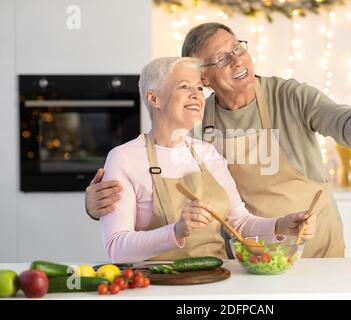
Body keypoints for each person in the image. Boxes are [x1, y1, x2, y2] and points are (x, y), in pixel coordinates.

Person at [87, 23, 351, 258]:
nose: (237, 61)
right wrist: (98, 206)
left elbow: (350, 130)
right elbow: (154, 184)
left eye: (238, 49)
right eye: (222, 59)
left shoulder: (289, 96)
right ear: (204, 78)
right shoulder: (196, 122)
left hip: (315, 243)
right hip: (250, 250)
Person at [99, 56, 316, 263]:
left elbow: (238, 223)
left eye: (200, 88)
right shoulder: (124, 158)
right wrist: (176, 231)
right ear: (154, 98)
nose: (196, 95)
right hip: (154, 285)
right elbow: (116, 248)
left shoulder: (207, 153)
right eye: (184, 86)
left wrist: (281, 226)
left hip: (217, 279)